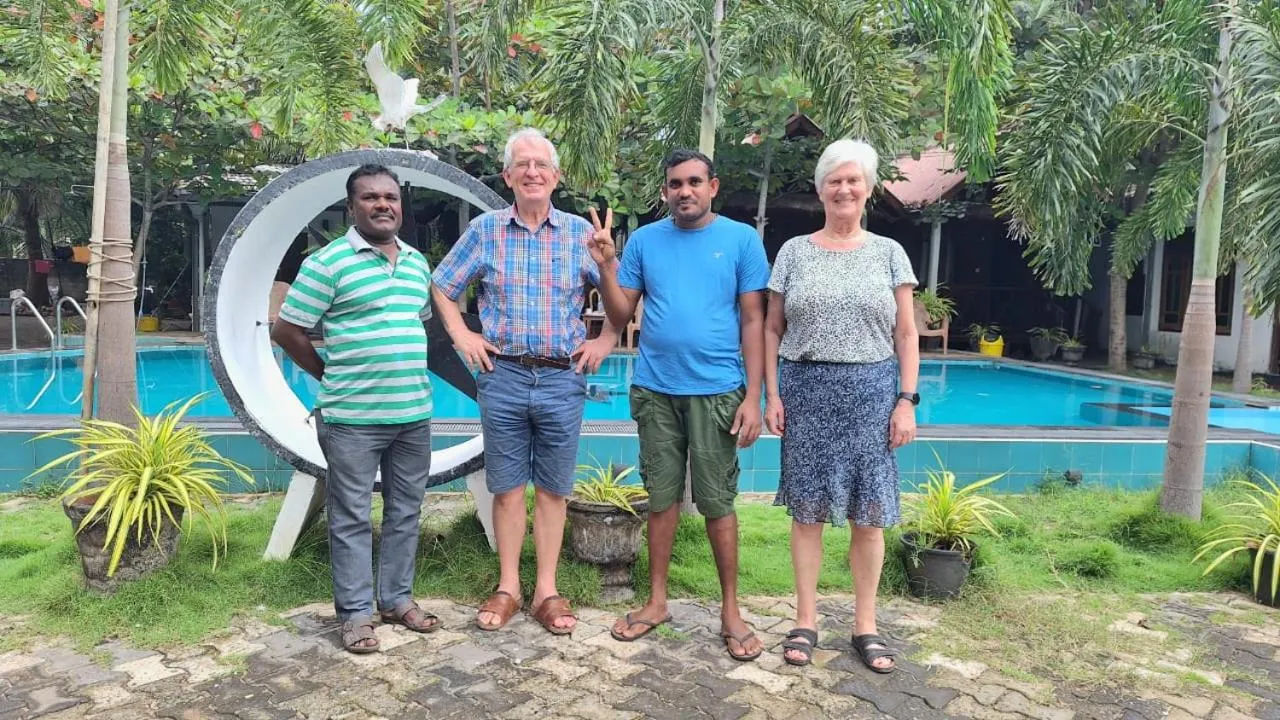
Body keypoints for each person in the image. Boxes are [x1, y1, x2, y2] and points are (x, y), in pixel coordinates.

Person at [430, 128, 620, 636]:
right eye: (523, 165)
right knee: (508, 487)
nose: (533, 172)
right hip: (504, 375)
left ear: (555, 177)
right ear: (508, 176)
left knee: (554, 489)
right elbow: (443, 285)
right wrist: (461, 334)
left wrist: (605, 334)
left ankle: (547, 591)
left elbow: (621, 301)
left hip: (562, 378)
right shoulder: (485, 231)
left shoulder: (582, 233)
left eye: (541, 165)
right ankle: (510, 585)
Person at [595, 148, 768, 661]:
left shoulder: (741, 240)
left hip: (718, 391)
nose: (684, 191)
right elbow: (622, 312)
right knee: (661, 499)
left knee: (718, 502)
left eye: (694, 181)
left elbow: (754, 322)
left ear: (713, 186)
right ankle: (655, 602)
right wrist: (606, 265)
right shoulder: (646, 241)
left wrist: (754, 398)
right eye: (675, 183)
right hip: (655, 390)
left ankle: (731, 610)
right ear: (665, 190)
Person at [762, 139, 920, 672]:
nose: (844, 189)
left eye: (854, 180)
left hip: (872, 395)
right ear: (820, 189)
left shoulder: (889, 253)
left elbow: (905, 332)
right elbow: (772, 327)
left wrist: (906, 401)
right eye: (834, 180)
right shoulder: (793, 252)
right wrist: (772, 393)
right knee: (807, 514)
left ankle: (865, 625)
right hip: (806, 391)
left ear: (869, 188)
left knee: (868, 516)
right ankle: (805, 620)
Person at [271, 164, 441, 655]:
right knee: (349, 516)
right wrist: (328, 374)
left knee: (406, 511)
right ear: (351, 207)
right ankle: (354, 614)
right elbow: (287, 330)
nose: (382, 204)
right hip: (351, 418)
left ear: (399, 205)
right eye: (370, 197)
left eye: (390, 196)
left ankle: (396, 600)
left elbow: (418, 323)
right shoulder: (327, 264)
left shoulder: (414, 262)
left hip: (413, 413)